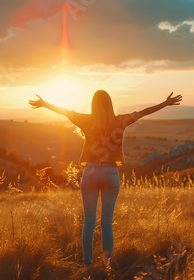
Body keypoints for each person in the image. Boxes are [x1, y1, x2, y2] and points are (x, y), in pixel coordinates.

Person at [29, 90, 182, 265]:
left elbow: (64, 111)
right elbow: (143, 112)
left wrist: (44, 104)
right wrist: (165, 103)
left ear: (93, 104)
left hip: (91, 172)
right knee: (107, 222)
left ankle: (88, 263)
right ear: (110, 104)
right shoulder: (120, 120)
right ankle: (106, 264)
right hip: (110, 172)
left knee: (89, 220)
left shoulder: (85, 120)